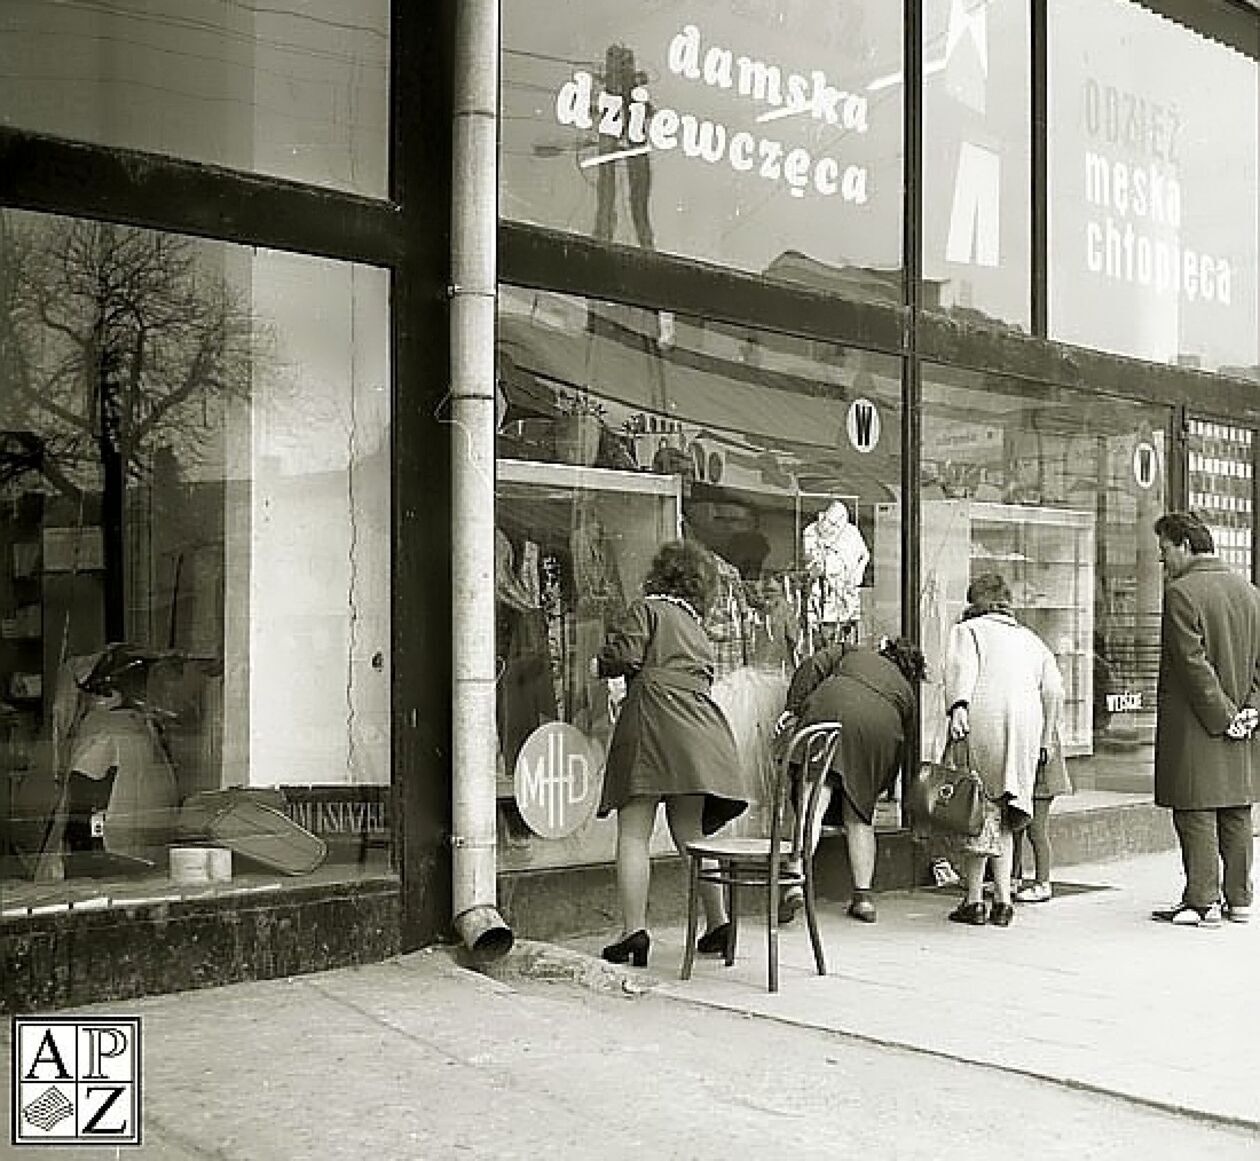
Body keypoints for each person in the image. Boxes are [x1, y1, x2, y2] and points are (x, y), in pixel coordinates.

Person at [593, 540, 754, 966]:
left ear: (660, 573)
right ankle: (718, 923)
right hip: (699, 731)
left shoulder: (648, 608)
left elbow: (625, 656)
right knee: (692, 835)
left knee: (634, 831)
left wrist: (599, 662)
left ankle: (633, 933)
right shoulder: (694, 625)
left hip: (651, 722)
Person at [1150, 511, 1260, 927]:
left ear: (1184, 545)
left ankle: (1201, 901)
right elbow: (1259, 667)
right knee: (1235, 810)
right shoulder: (1250, 592)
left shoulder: (1181, 593)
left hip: (1197, 725)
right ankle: (1239, 898)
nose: (1163, 563)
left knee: (1194, 810)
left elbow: (1192, 665)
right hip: (1240, 723)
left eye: (1164, 552)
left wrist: (1224, 717)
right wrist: (1249, 710)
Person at [776, 635, 927, 923]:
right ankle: (863, 897)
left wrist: (794, 708)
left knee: (813, 803)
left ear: (886, 650)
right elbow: (901, 749)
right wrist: (875, 786)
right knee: (859, 817)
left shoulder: (852, 651)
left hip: (829, 711)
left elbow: (811, 667)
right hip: (880, 728)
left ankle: (794, 879)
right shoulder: (906, 692)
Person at [943, 572, 1064, 927]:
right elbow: (1054, 689)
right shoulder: (1031, 639)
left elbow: (960, 670)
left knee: (978, 810)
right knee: (1009, 810)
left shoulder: (968, 631)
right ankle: (1004, 900)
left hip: (985, 718)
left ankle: (974, 900)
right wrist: (1045, 738)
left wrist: (958, 707)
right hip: (1028, 724)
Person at [1011, 727, 1072, 903]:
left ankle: (1043, 883)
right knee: (1015, 828)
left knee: (1036, 831)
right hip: (1028, 777)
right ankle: (1012, 879)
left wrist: (1044, 746)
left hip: (1042, 777)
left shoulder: (1046, 729)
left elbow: (1047, 740)